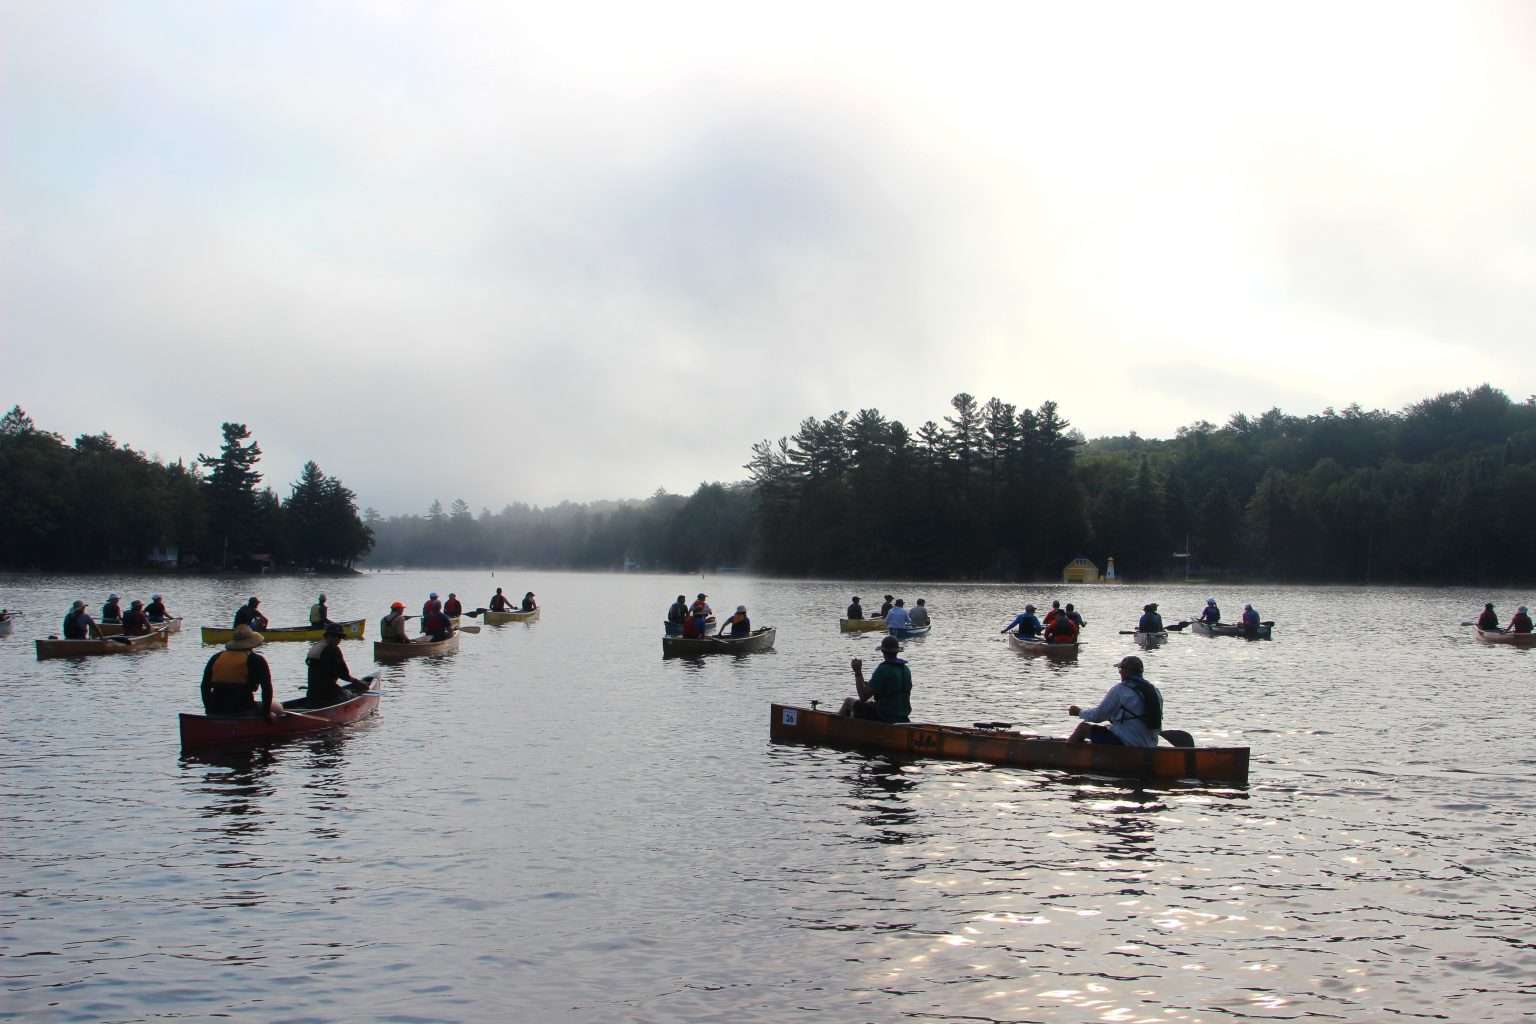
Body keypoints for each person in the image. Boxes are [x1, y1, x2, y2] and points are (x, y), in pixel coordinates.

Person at [1067, 655, 1162, 747]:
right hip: (1150, 744)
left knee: (1082, 728)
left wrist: (1079, 712)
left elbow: (1098, 716)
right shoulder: (1155, 690)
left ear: (1126, 671)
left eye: (1120, 669)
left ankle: (1065, 755)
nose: (1119, 672)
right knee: (1109, 727)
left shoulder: (1120, 690)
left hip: (1128, 742)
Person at [200, 625, 276, 719]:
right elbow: (267, 688)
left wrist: (209, 710)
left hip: (216, 709)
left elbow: (204, 687)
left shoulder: (216, 657)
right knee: (277, 707)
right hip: (244, 709)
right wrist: (266, 714)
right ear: (252, 643)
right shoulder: (256, 660)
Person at [840, 634, 912, 723]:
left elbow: (863, 697)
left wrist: (858, 672)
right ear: (897, 652)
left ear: (883, 652)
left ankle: (834, 729)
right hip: (902, 715)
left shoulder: (883, 669)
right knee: (868, 703)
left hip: (885, 716)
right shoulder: (906, 669)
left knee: (848, 702)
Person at [305, 623, 370, 707]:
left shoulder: (316, 647)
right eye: (335, 636)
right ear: (328, 636)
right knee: (350, 695)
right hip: (328, 695)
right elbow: (344, 674)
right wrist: (357, 683)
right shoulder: (333, 650)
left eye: (340, 637)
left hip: (312, 695)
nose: (338, 640)